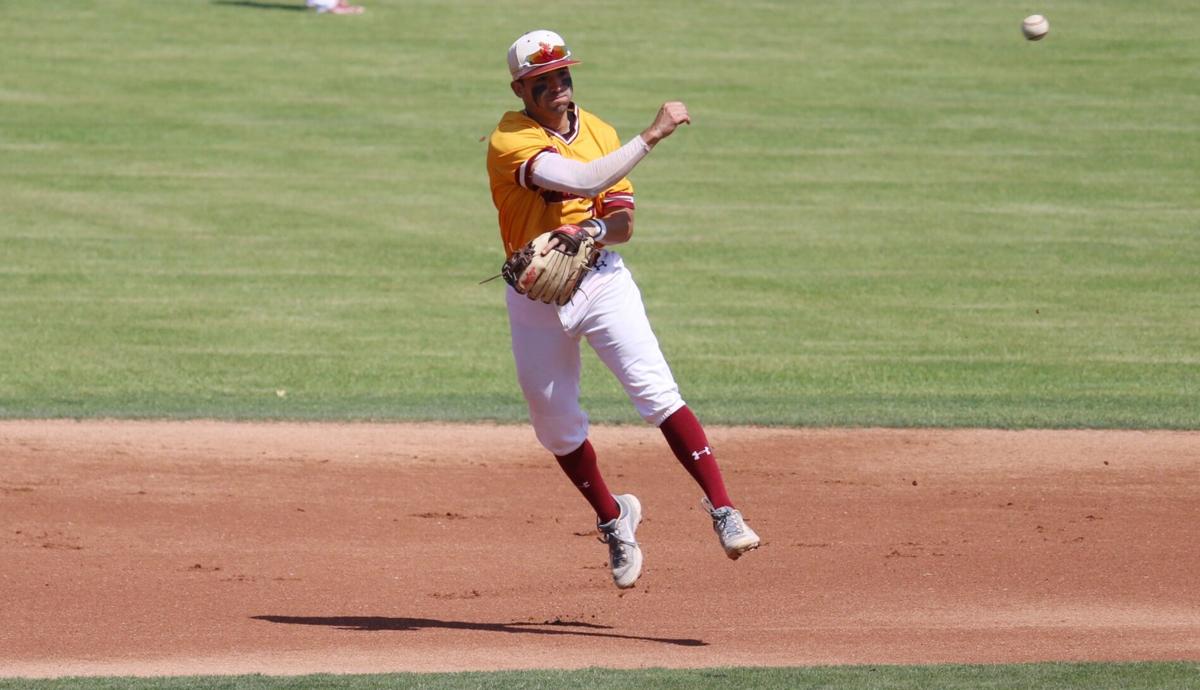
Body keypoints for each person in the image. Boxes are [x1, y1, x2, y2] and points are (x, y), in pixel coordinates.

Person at [485, 30, 760, 589]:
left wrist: (591, 227)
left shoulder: (601, 132)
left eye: (563, 76)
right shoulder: (508, 139)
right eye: (543, 82)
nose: (558, 88)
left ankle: (725, 510)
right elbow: (581, 178)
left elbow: (624, 225)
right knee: (555, 426)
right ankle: (614, 518)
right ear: (520, 88)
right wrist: (653, 134)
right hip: (535, 296)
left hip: (602, 283)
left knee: (656, 392)